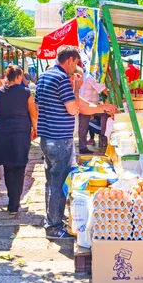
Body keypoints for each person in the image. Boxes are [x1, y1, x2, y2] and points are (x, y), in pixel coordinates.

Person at [35, 45, 81, 240]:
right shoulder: (62, 79)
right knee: (59, 183)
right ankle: (54, 227)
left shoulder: (44, 76)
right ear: (69, 60)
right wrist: (76, 88)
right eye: (76, 64)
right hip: (60, 138)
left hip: (46, 137)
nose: (76, 68)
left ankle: (52, 220)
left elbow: (37, 105)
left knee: (51, 182)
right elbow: (73, 109)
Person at [0, 66, 37, 215]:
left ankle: (12, 200)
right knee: (19, 166)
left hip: (3, 132)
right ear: (19, 77)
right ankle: (14, 203)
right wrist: (36, 130)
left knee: (7, 166)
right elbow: (33, 114)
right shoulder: (27, 93)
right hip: (21, 132)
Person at [78, 70, 112, 154]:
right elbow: (104, 90)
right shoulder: (93, 77)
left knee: (83, 127)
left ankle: (100, 138)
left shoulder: (87, 75)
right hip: (88, 106)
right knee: (84, 127)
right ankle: (102, 138)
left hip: (88, 104)